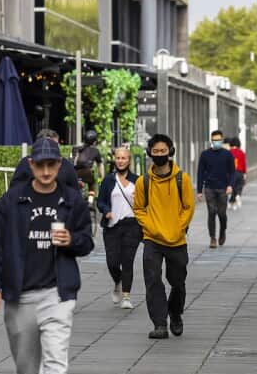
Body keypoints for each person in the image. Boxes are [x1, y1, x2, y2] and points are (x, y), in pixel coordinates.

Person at [0, 137, 94, 374]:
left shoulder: (72, 200)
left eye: (52, 165)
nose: (46, 171)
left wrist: (71, 239)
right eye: (40, 165)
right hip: (20, 293)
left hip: (58, 292)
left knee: (56, 356)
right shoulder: (12, 201)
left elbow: (87, 241)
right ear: (31, 165)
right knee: (25, 360)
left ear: (60, 166)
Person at [134, 133, 196, 339]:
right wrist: (151, 227)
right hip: (152, 239)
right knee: (152, 281)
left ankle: (175, 313)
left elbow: (188, 206)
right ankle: (160, 324)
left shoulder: (182, 179)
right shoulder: (143, 182)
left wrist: (179, 227)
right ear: (149, 153)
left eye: (163, 151)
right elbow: (139, 209)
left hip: (177, 239)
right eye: (155, 151)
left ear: (170, 152)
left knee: (177, 282)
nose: (159, 154)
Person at [97, 147, 141, 309]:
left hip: (132, 226)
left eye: (124, 158)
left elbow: (146, 202)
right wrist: (106, 211)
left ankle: (126, 296)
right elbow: (100, 201)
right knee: (112, 262)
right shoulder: (108, 180)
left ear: (129, 160)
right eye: (118, 158)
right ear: (114, 160)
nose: (121, 161)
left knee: (127, 261)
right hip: (112, 226)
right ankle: (118, 281)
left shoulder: (138, 180)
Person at [196, 129, 236, 248]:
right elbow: (200, 173)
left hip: (223, 188)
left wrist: (230, 185)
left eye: (218, 140)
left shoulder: (227, 154)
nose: (216, 142)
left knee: (222, 214)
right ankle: (212, 238)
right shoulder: (205, 154)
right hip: (209, 188)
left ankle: (222, 231)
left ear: (222, 140)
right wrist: (199, 190)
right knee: (212, 212)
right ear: (211, 141)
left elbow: (232, 172)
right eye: (214, 140)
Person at [10, 128, 79, 190]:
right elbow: (14, 189)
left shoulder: (66, 165)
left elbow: (75, 190)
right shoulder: (25, 163)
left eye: (55, 145)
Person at [228, 137, 248, 210]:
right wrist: (244, 173)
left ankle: (232, 202)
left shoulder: (228, 152)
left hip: (231, 173)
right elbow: (243, 164)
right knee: (239, 186)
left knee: (232, 188)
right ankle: (238, 196)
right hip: (240, 172)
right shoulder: (242, 152)